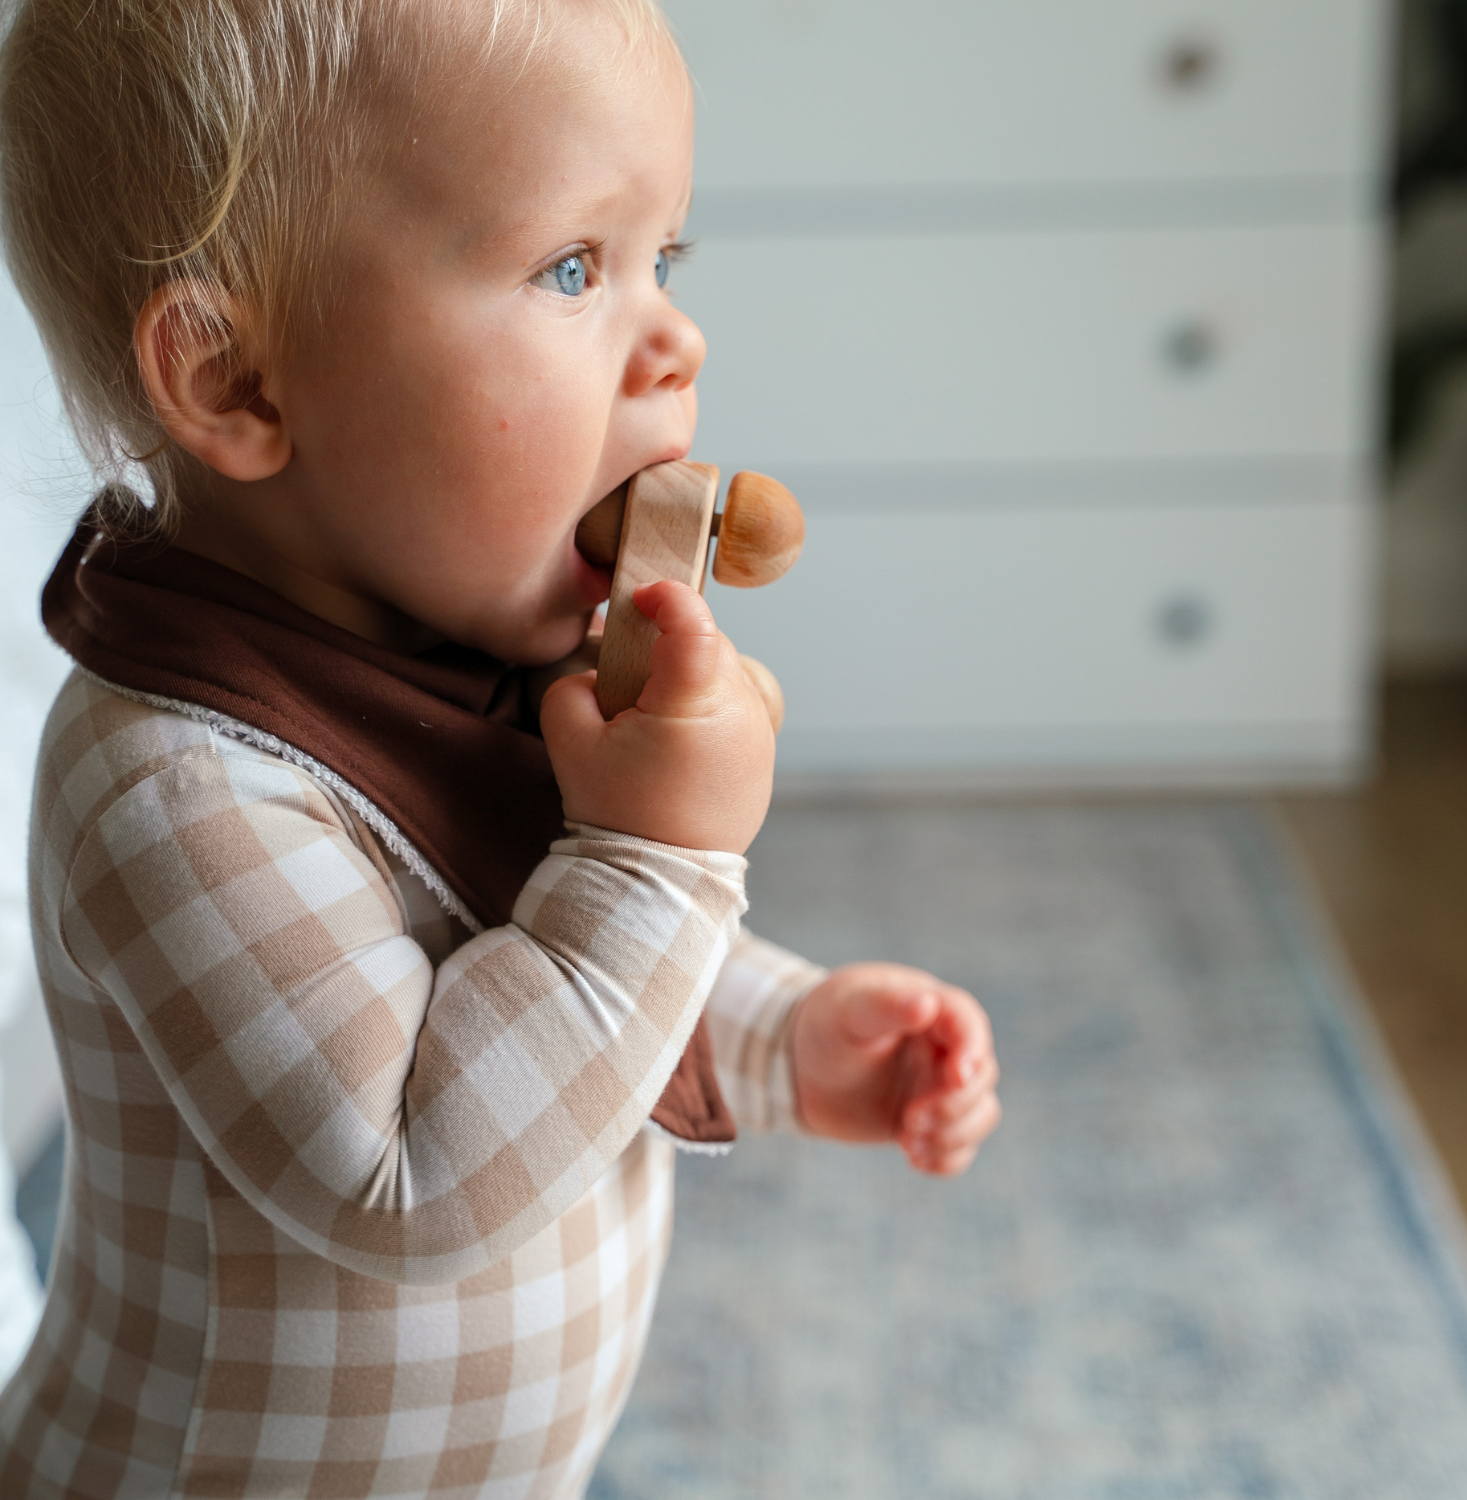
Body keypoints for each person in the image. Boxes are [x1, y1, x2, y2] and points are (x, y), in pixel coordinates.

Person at [0, 1, 1002, 1495]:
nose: (676, 339)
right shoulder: (181, 779)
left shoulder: (459, 649)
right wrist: (660, 853)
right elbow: (411, 1173)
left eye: (670, 257)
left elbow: (534, 965)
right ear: (238, 383)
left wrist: (783, 1034)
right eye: (572, 267)